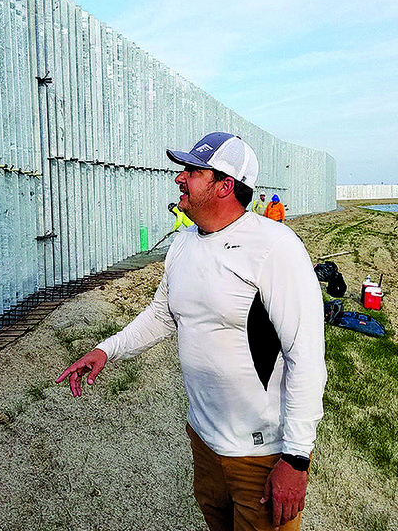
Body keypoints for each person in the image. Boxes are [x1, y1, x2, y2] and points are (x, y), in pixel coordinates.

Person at [56, 131, 326, 531]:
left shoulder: (275, 247)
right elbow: (162, 315)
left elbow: (305, 357)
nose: (180, 178)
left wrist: (296, 459)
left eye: (192, 171)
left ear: (225, 186)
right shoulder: (183, 244)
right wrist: (106, 350)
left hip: (260, 454)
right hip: (203, 439)